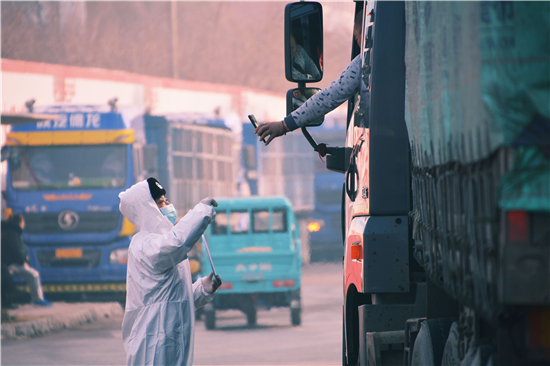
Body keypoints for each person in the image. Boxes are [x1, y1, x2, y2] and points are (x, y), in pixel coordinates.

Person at [119, 177, 222, 366]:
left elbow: (174, 300)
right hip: (152, 344)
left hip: (169, 341)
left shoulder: (160, 242)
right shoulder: (144, 244)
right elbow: (177, 243)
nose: (168, 205)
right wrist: (201, 212)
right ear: (146, 210)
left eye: (167, 200)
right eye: (161, 202)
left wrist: (201, 290)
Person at [256, 12, 364, 145]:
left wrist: (284, 125)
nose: (358, 44)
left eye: (356, 37)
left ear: (365, 35)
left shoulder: (365, 62)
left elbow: (328, 97)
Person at [1, 214, 51, 307]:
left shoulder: (10, 231)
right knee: (34, 275)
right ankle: (38, 300)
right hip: (11, 264)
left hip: (7, 263)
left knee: (32, 275)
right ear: (21, 222)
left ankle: (37, 299)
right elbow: (16, 250)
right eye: (24, 222)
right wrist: (23, 262)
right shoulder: (13, 233)